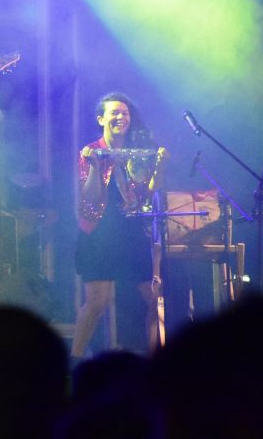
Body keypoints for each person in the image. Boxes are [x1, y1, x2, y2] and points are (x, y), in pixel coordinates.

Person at [71, 92, 166, 359]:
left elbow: (146, 194)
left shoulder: (134, 153)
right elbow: (90, 199)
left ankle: (156, 362)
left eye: (125, 113)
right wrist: (95, 166)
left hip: (131, 231)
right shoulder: (91, 151)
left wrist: (160, 166)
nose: (121, 117)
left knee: (153, 298)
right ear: (101, 119)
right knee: (97, 302)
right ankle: (75, 361)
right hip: (98, 233)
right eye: (114, 112)